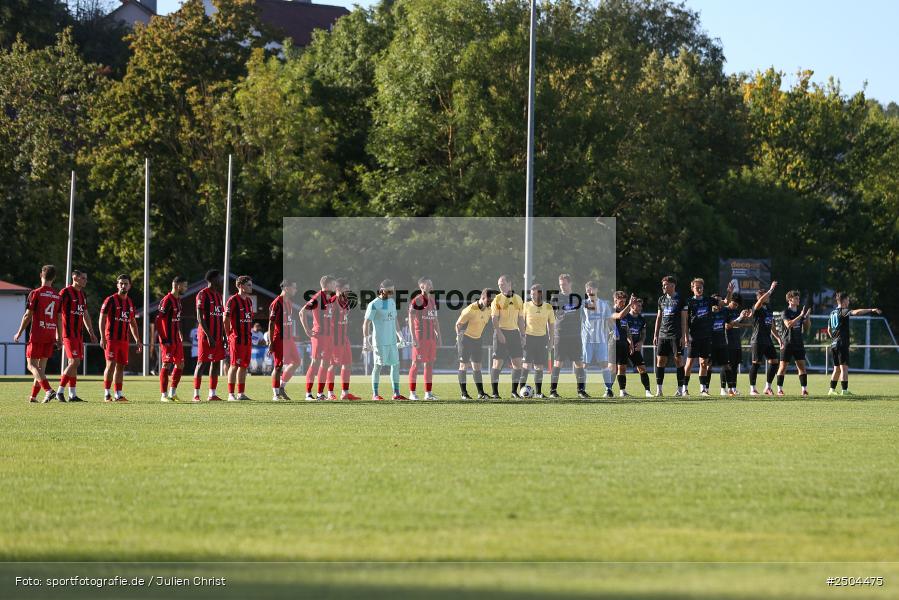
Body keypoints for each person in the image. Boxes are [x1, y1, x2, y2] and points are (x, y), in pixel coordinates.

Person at [14, 265, 62, 403]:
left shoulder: (36, 293)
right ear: (54, 278)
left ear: (41, 275)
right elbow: (59, 318)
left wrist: (19, 332)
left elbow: (28, 315)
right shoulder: (57, 296)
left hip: (38, 333)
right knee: (41, 368)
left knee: (31, 365)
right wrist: (59, 337)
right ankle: (33, 397)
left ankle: (48, 390)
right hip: (50, 334)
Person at [828, 292, 881, 396]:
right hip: (841, 343)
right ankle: (844, 391)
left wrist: (834, 338)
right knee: (844, 368)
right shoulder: (843, 311)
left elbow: (829, 329)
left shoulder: (832, 313)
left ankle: (831, 390)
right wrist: (871, 310)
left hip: (834, 344)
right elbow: (856, 312)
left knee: (836, 368)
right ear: (843, 301)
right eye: (847, 300)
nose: (849, 302)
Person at [56, 269, 98, 402]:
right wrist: (58, 333)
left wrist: (91, 332)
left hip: (78, 334)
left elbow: (85, 314)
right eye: (83, 278)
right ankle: (59, 391)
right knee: (74, 362)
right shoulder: (65, 292)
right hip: (68, 333)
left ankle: (72, 395)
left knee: (74, 363)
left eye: (86, 278)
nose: (86, 280)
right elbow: (57, 313)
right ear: (75, 278)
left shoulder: (82, 294)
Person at [99, 274, 142, 402]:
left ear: (130, 285)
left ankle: (118, 394)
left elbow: (133, 322)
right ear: (117, 285)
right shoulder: (110, 300)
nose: (123, 285)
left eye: (126, 283)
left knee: (121, 366)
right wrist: (102, 337)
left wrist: (137, 339)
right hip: (111, 338)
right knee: (111, 364)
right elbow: (102, 319)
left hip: (124, 340)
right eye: (121, 283)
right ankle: (107, 394)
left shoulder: (129, 302)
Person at [363, 279, 406, 401]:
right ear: (382, 291)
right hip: (380, 342)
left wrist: (401, 336)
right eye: (389, 291)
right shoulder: (374, 304)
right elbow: (366, 324)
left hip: (392, 341)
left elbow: (395, 320)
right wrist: (366, 341)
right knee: (378, 366)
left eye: (393, 291)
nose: (391, 293)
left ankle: (396, 394)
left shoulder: (391, 302)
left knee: (396, 365)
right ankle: (375, 394)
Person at [550, 274, 589, 399]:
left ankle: (581, 391)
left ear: (570, 283)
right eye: (561, 285)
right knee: (558, 362)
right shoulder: (556, 297)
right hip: (560, 335)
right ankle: (553, 391)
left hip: (575, 335)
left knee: (578, 362)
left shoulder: (577, 298)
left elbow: (587, 311)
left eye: (565, 284)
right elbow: (551, 316)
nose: (562, 287)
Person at [300, 275, 336, 401]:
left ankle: (320, 394)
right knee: (315, 362)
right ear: (326, 285)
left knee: (325, 364)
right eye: (333, 284)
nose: (335, 286)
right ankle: (308, 394)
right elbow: (302, 312)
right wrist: (307, 330)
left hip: (329, 336)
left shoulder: (331, 298)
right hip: (318, 335)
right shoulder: (317, 297)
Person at [490, 274, 525, 398]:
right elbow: (494, 318)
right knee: (497, 364)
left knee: (518, 363)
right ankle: (495, 393)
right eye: (499, 285)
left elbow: (520, 318)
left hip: (514, 333)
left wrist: (523, 334)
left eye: (503, 284)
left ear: (510, 284)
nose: (501, 287)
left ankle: (514, 392)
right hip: (501, 332)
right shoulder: (497, 299)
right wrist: (499, 333)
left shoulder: (518, 299)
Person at [154, 276, 188, 402]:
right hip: (167, 339)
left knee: (180, 364)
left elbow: (176, 319)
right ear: (177, 285)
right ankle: (163, 395)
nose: (186, 288)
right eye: (184, 286)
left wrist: (179, 332)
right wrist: (163, 338)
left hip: (176, 339)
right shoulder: (167, 299)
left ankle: (172, 393)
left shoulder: (178, 300)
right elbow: (158, 319)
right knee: (166, 364)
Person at [193, 270, 226, 402]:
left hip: (218, 336)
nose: (221, 280)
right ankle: (196, 394)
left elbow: (219, 318)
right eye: (219, 278)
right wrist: (209, 336)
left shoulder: (218, 296)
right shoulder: (202, 294)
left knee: (216, 363)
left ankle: (212, 394)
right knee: (201, 364)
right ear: (212, 279)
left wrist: (223, 336)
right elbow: (200, 317)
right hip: (206, 337)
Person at [455, 288, 493, 400]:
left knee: (477, 366)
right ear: (483, 298)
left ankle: (481, 393)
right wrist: (459, 338)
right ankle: (464, 394)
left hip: (477, 339)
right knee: (463, 365)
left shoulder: (488, 309)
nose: (490, 303)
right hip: (465, 339)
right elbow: (458, 324)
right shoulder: (470, 309)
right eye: (489, 300)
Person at [408, 277, 441, 400]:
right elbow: (410, 320)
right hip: (420, 338)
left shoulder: (432, 301)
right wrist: (413, 338)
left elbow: (435, 319)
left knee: (429, 364)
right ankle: (412, 393)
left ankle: (428, 393)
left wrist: (439, 335)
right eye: (428, 284)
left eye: (431, 284)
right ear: (422, 286)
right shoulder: (417, 301)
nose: (431, 286)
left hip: (431, 339)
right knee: (416, 364)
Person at [653, 275, 686, 397]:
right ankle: (659, 390)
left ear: (672, 285)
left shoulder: (680, 299)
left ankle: (680, 389)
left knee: (678, 361)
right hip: (662, 335)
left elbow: (684, 319)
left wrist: (684, 335)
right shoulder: (661, 299)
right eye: (663, 284)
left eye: (665, 284)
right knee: (660, 361)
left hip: (676, 335)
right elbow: (658, 317)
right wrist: (655, 334)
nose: (663, 286)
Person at [681, 278, 715, 396]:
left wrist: (730, 292)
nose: (699, 289)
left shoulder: (708, 300)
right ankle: (684, 388)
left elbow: (725, 302)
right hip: (693, 337)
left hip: (706, 337)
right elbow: (685, 321)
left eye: (701, 287)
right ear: (692, 289)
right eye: (697, 287)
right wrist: (685, 336)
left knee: (704, 363)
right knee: (689, 363)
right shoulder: (689, 302)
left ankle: (703, 389)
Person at [519, 284, 554, 398]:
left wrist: (551, 340)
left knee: (539, 366)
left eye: (535, 293)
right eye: (531, 294)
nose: (533, 296)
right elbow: (521, 322)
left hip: (542, 339)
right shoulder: (526, 306)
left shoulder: (548, 307)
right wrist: (522, 337)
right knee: (526, 365)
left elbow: (551, 325)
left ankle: (538, 393)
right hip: (529, 338)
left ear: (540, 294)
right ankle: (521, 391)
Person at [329, 278, 361, 400]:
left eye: (348, 289)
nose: (348, 291)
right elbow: (328, 322)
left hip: (344, 337)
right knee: (333, 365)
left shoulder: (346, 302)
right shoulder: (332, 302)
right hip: (335, 338)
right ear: (338, 289)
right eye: (345, 289)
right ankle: (330, 393)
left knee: (347, 364)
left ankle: (345, 393)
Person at [269, 280, 301, 400]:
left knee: (297, 362)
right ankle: (275, 394)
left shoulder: (289, 302)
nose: (295, 290)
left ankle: (282, 387)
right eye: (294, 288)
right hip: (279, 339)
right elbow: (271, 324)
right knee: (278, 366)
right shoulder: (277, 303)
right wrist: (270, 342)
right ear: (286, 288)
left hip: (289, 339)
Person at [748, 281, 781, 396]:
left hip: (767, 340)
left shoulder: (769, 309)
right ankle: (752, 388)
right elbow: (761, 301)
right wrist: (771, 289)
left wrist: (778, 338)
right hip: (757, 339)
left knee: (774, 362)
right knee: (756, 364)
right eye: (764, 295)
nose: (767, 297)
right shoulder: (756, 307)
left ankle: (767, 387)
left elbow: (771, 325)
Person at [225, 275, 255, 401]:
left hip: (247, 339)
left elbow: (249, 319)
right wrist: (228, 335)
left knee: (244, 366)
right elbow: (225, 319)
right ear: (241, 286)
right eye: (248, 285)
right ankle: (231, 394)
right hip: (236, 339)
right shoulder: (232, 300)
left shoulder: (249, 301)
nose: (251, 287)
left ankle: (241, 393)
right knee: (234, 365)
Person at [776, 290, 812, 396]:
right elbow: (788, 325)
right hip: (787, 343)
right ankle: (779, 390)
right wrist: (801, 316)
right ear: (790, 300)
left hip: (798, 343)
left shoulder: (799, 312)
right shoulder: (785, 312)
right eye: (796, 298)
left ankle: (804, 390)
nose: (798, 300)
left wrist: (807, 318)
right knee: (782, 367)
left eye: (798, 298)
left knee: (802, 367)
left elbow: (806, 328)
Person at [583, 281, 614, 397]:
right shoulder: (583, 304)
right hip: (587, 339)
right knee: (584, 365)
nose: (590, 292)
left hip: (601, 339)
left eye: (592, 289)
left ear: (596, 290)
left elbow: (609, 319)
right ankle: (582, 390)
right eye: (588, 290)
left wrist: (615, 330)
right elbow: (579, 320)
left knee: (604, 364)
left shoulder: (604, 305)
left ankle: (608, 390)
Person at [721, 296, 752, 396]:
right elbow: (727, 326)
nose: (735, 306)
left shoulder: (736, 311)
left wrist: (746, 317)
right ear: (730, 302)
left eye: (737, 305)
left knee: (734, 366)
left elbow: (738, 325)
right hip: (727, 342)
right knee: (727, 365)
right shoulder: (725, 310)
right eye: (734, 304)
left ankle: (733, 388)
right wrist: (740, 318)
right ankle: (723, 388)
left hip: (736, 342)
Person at [609, 291, 638, 397]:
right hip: (612, 343)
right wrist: (630, 305)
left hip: (623, 343)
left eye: (625, 302)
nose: (623, 303)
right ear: (615, 300)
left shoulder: (625, 312)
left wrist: (630, 342)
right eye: (621, 301)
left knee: (622, 368)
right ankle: (608, 390)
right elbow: (620, 316)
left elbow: (627, 329)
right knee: (612, 368)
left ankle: (622, 391)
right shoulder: (611, 310)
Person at [622, 296, 653, 397]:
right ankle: (621, 391)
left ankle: (648, 391)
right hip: (624, 346)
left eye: (641, 306)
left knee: (642, 368)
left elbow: (643, 333)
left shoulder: (641, 319)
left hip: (635, 348)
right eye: (638, 305)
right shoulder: (625, 317)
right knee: (621, 368)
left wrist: (641, 342)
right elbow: (625, 332)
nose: (640, 307)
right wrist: (629, 342)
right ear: (632, 305)